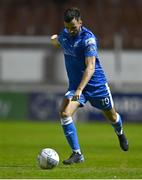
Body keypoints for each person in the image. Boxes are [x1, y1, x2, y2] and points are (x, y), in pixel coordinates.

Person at [51, 7, 129, 165]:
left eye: (73, 28)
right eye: (67, 28)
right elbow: (59, 40)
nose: (71, 31)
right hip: (76, 86)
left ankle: (120, 132)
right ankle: (77, 154)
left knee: (112, 116)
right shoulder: (65, 34)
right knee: (65, 113)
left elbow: (91, 67)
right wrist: (55, 40)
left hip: (96, 85)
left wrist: (80, 90)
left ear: (80, 22)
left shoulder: (88, 39)